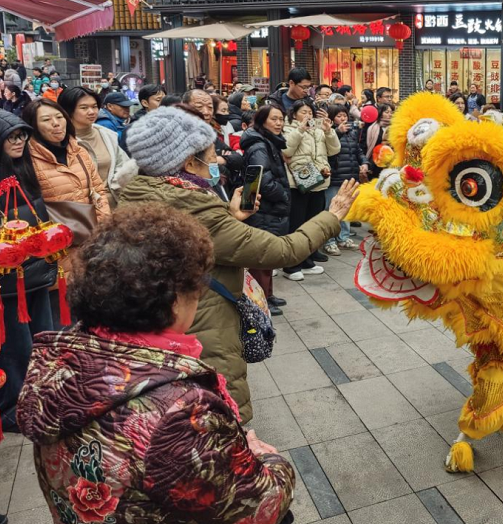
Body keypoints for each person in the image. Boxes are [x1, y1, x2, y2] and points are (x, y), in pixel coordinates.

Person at [16, 206, 298, 523]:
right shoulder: (180, 411)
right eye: (197, 289)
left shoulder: (61, 360)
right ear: (175, 299)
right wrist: (267, 458)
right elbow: (260, 505)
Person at [120, 106, 359, 420]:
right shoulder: (194, 208)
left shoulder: (137, 195)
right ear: (188, 163)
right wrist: (332, 216)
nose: (217, 161)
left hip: (162, 325)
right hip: (205, 328)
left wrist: (230, 216)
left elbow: (197, 244)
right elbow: (284, 251)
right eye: (211, 156)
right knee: (223, 412)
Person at [0, 110, 57, 435]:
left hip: (35, 271)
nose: (19, 141)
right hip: (6, 281)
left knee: (42, 338)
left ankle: (40, 399)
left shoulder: (24, 170)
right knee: (15, 347)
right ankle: (14, 408)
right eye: (11, 136)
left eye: (22, 135)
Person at [239, 105, 296, 304]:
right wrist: (283, 195)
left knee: (267, 256)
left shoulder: (268, 141)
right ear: (262, 121)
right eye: (274, 119)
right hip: (263, 208)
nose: (279, 123)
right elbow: (260, 180)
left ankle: (267, 296)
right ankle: (259, 301)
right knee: (261, 257)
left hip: (268, 208)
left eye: (281, 119)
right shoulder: (259, 146)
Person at [23, 98, 111, 225]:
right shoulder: (28, 159)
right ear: (33, 125)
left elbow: (99, 191)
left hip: (92, 228)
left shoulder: (79, 151)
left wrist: (102, 224)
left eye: (59, 117)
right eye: (46, 120)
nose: (56, 123)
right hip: (56, 232)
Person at [281, 100, 341, 279]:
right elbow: (287, 151)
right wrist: (300, 130)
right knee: (297, 224)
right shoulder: (288, 129)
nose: (307, 115)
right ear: (294, 114)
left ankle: (307, 261)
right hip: (299, 182)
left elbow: (334, 150)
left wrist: (329, 131)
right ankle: (291, 266)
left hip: (319, 180)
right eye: (303, 112)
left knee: (312, 223)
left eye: (310, 112)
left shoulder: (319, 129)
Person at [59, 86, 137, 208]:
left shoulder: (107, 135)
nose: (91, 112)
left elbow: (123, 167)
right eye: (84, 108)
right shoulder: (60, 140)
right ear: (69, 110)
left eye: (94, 106)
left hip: (113, 205)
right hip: (82, 208)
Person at [324, 104, 366, 255]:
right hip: (334, 176)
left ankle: (344, 237)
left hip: (349, 176)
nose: (343, 119)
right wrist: (338, 132)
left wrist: (364, 163)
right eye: (339, 116)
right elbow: (328, 150)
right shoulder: (328, 132)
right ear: (331, 118)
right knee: (331, 209)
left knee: (346, 207)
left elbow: (358, 151)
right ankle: (329, 241)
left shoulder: (352, 132)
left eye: (344, 115)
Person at [361, 103, 393, 179]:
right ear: (380, 113)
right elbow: (365, 145)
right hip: (375, 161)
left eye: (391, 112)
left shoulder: (394, 127)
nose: (390, 114)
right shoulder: (372, 127)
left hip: (391, 161)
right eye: (387, 112)